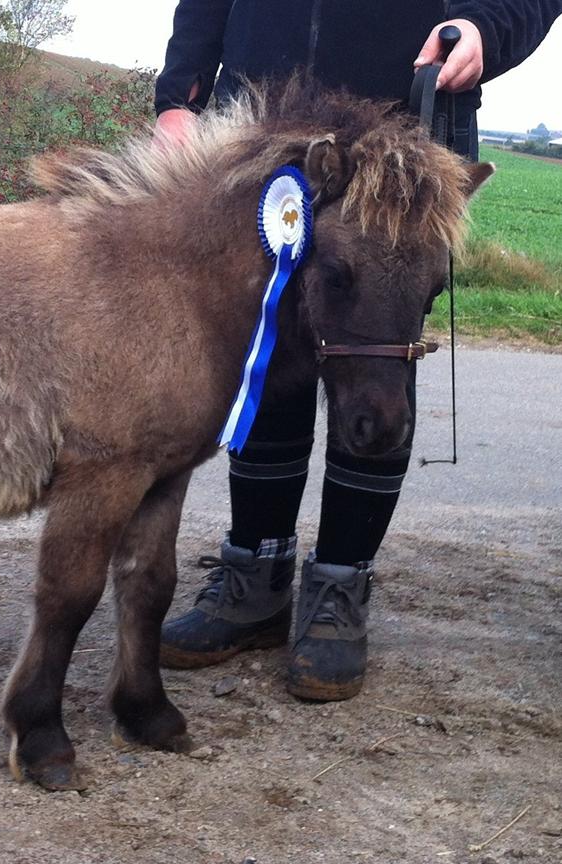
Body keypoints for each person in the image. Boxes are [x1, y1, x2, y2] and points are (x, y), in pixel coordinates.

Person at [153, 0, 561, 701]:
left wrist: (489, 30)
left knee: (375, 360)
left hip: (404, 134)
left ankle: (341, 587)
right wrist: (178, 94)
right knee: (268, 353)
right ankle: (254, 577)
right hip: (261, 131)